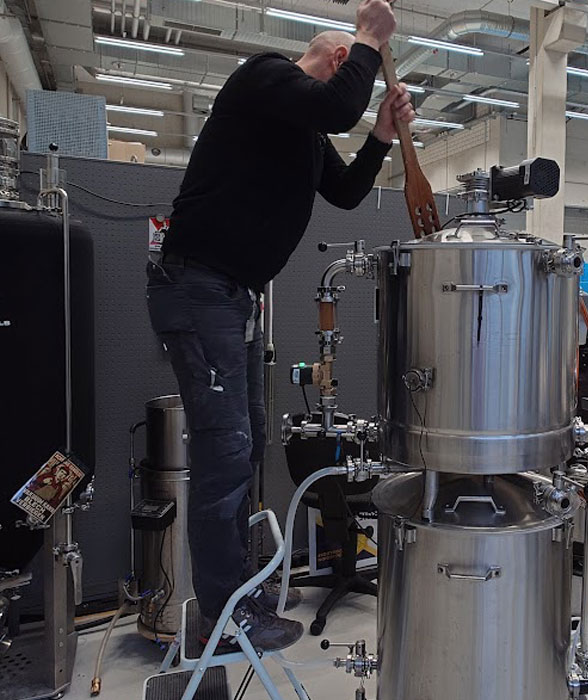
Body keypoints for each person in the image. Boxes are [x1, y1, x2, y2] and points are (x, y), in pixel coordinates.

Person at [146, 0, 415, 653]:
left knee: (245, 443)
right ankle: (224, 617)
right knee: (225, 452)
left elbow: (346, 192)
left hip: (230, 295)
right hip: (199, 285)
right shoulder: (263, 77)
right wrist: (369, 38)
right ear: (337, 60)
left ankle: (241, 592)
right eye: (351, 63)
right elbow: (336, 108)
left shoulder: (303, 132)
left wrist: (381, 134)